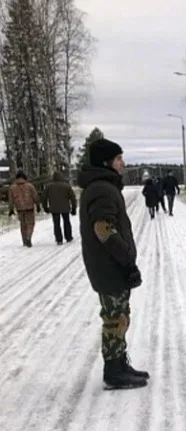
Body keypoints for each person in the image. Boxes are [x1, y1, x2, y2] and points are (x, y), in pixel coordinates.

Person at [78, 137, 148, 390]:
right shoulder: (101, 189)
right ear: (106, 162)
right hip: (109, 266)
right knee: (114, 318)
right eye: (119, 158)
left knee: (120, 316)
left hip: (110, 266)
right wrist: (126, 260)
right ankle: (113, 370)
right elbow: (103, 228)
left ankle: (119, 362)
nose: (123, 163)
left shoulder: (103, 187)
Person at [7, 171, 41, 247]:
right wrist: (38, 205)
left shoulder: (12, 188)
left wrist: (11, 209)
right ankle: (29, 237)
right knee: (30, 224)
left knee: (23, 225)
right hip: (29, 208)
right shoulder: (30, 186)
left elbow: (11, 200)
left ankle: (24, 240)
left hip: (19, 209)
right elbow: (35, 196)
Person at [43, 171, 77, 245]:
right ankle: (68, 237)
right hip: (65, 208)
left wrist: (45, 207)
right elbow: (73, 198)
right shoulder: (66, 186)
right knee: (66, 222)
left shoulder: (48, 186)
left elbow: (44, 198)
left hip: (54, 208)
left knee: (56, 224)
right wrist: (74, 208)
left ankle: (59, 239)